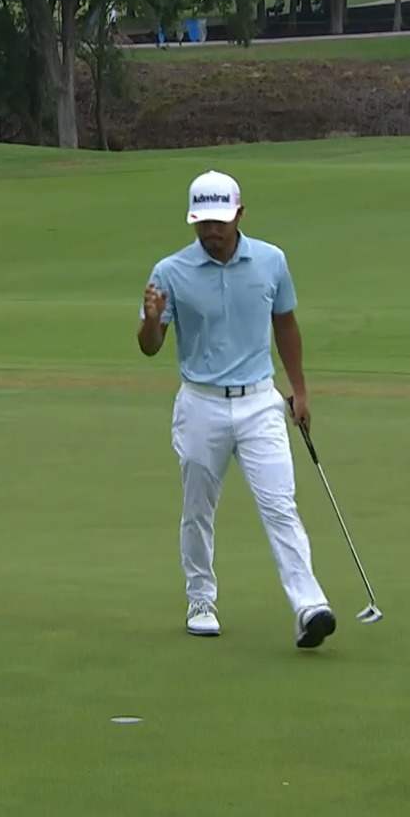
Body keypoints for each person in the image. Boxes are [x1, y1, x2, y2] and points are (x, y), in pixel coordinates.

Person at [137, 170, 336, 649]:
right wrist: (150, 320)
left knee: (280, 506)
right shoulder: (169, 272)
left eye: (220, 221)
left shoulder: (271, 261)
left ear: (239, 214)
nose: (211, 231)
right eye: (202, 222)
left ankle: (309, 605)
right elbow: (150, 347)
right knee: (198, 509)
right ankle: (201, 599)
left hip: (259, 402)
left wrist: (300, 391)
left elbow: (285, 325)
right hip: (200, 403)